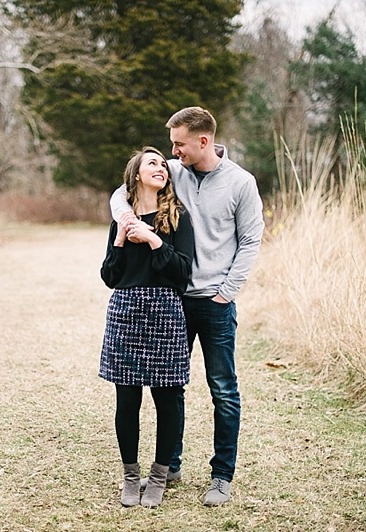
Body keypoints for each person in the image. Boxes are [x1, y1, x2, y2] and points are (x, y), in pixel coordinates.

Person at [110, 107, 264, 506]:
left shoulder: (240, 183)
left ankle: (221, 476)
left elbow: (250, 240)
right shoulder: (173, 172)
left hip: (214, 302)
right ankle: (170, 464)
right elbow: (121, 192)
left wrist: (226, 291)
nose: (172, 150)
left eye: (179, 143)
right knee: (171, 386)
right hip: (171, 301)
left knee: (223, 390)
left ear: (203, 140)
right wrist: (128, 222)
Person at [99, 146, 195, 509]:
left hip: (166, 311)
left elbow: (183, 273)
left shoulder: (176, 220)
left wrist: (155, 240)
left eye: (163, 165)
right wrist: (122, 240)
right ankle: (129, 475)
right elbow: (109, 277)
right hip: (125, 311)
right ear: (136, 174)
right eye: (152, 163)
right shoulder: (119, 221)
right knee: (127, 399)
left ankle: (158, 476)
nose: (161, 168)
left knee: (167, 398)